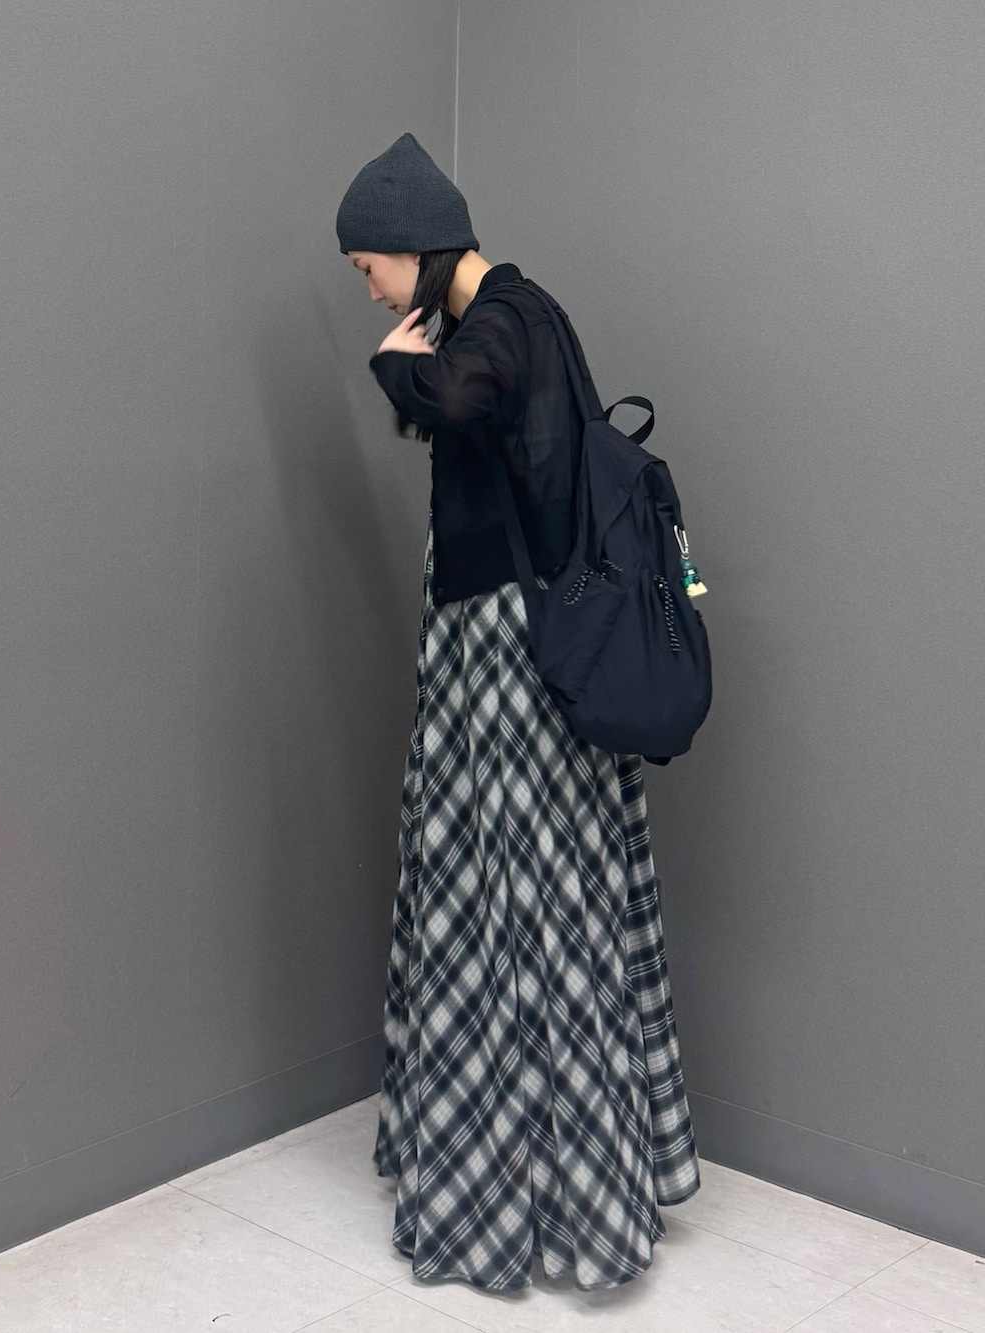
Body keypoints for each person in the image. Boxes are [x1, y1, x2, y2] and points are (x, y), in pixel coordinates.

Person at [335, 132, 699, 1294]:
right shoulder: (519, 316)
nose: (373, 292)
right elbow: (482, 431)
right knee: (530, 898)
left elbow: (457, 395)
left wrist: (394, 363)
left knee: (517, 905)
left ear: (412, 248)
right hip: (515, 651)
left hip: (508, 659)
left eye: (371, 270)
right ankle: (543, 1165)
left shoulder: (503, 319)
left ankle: (540, 1188)